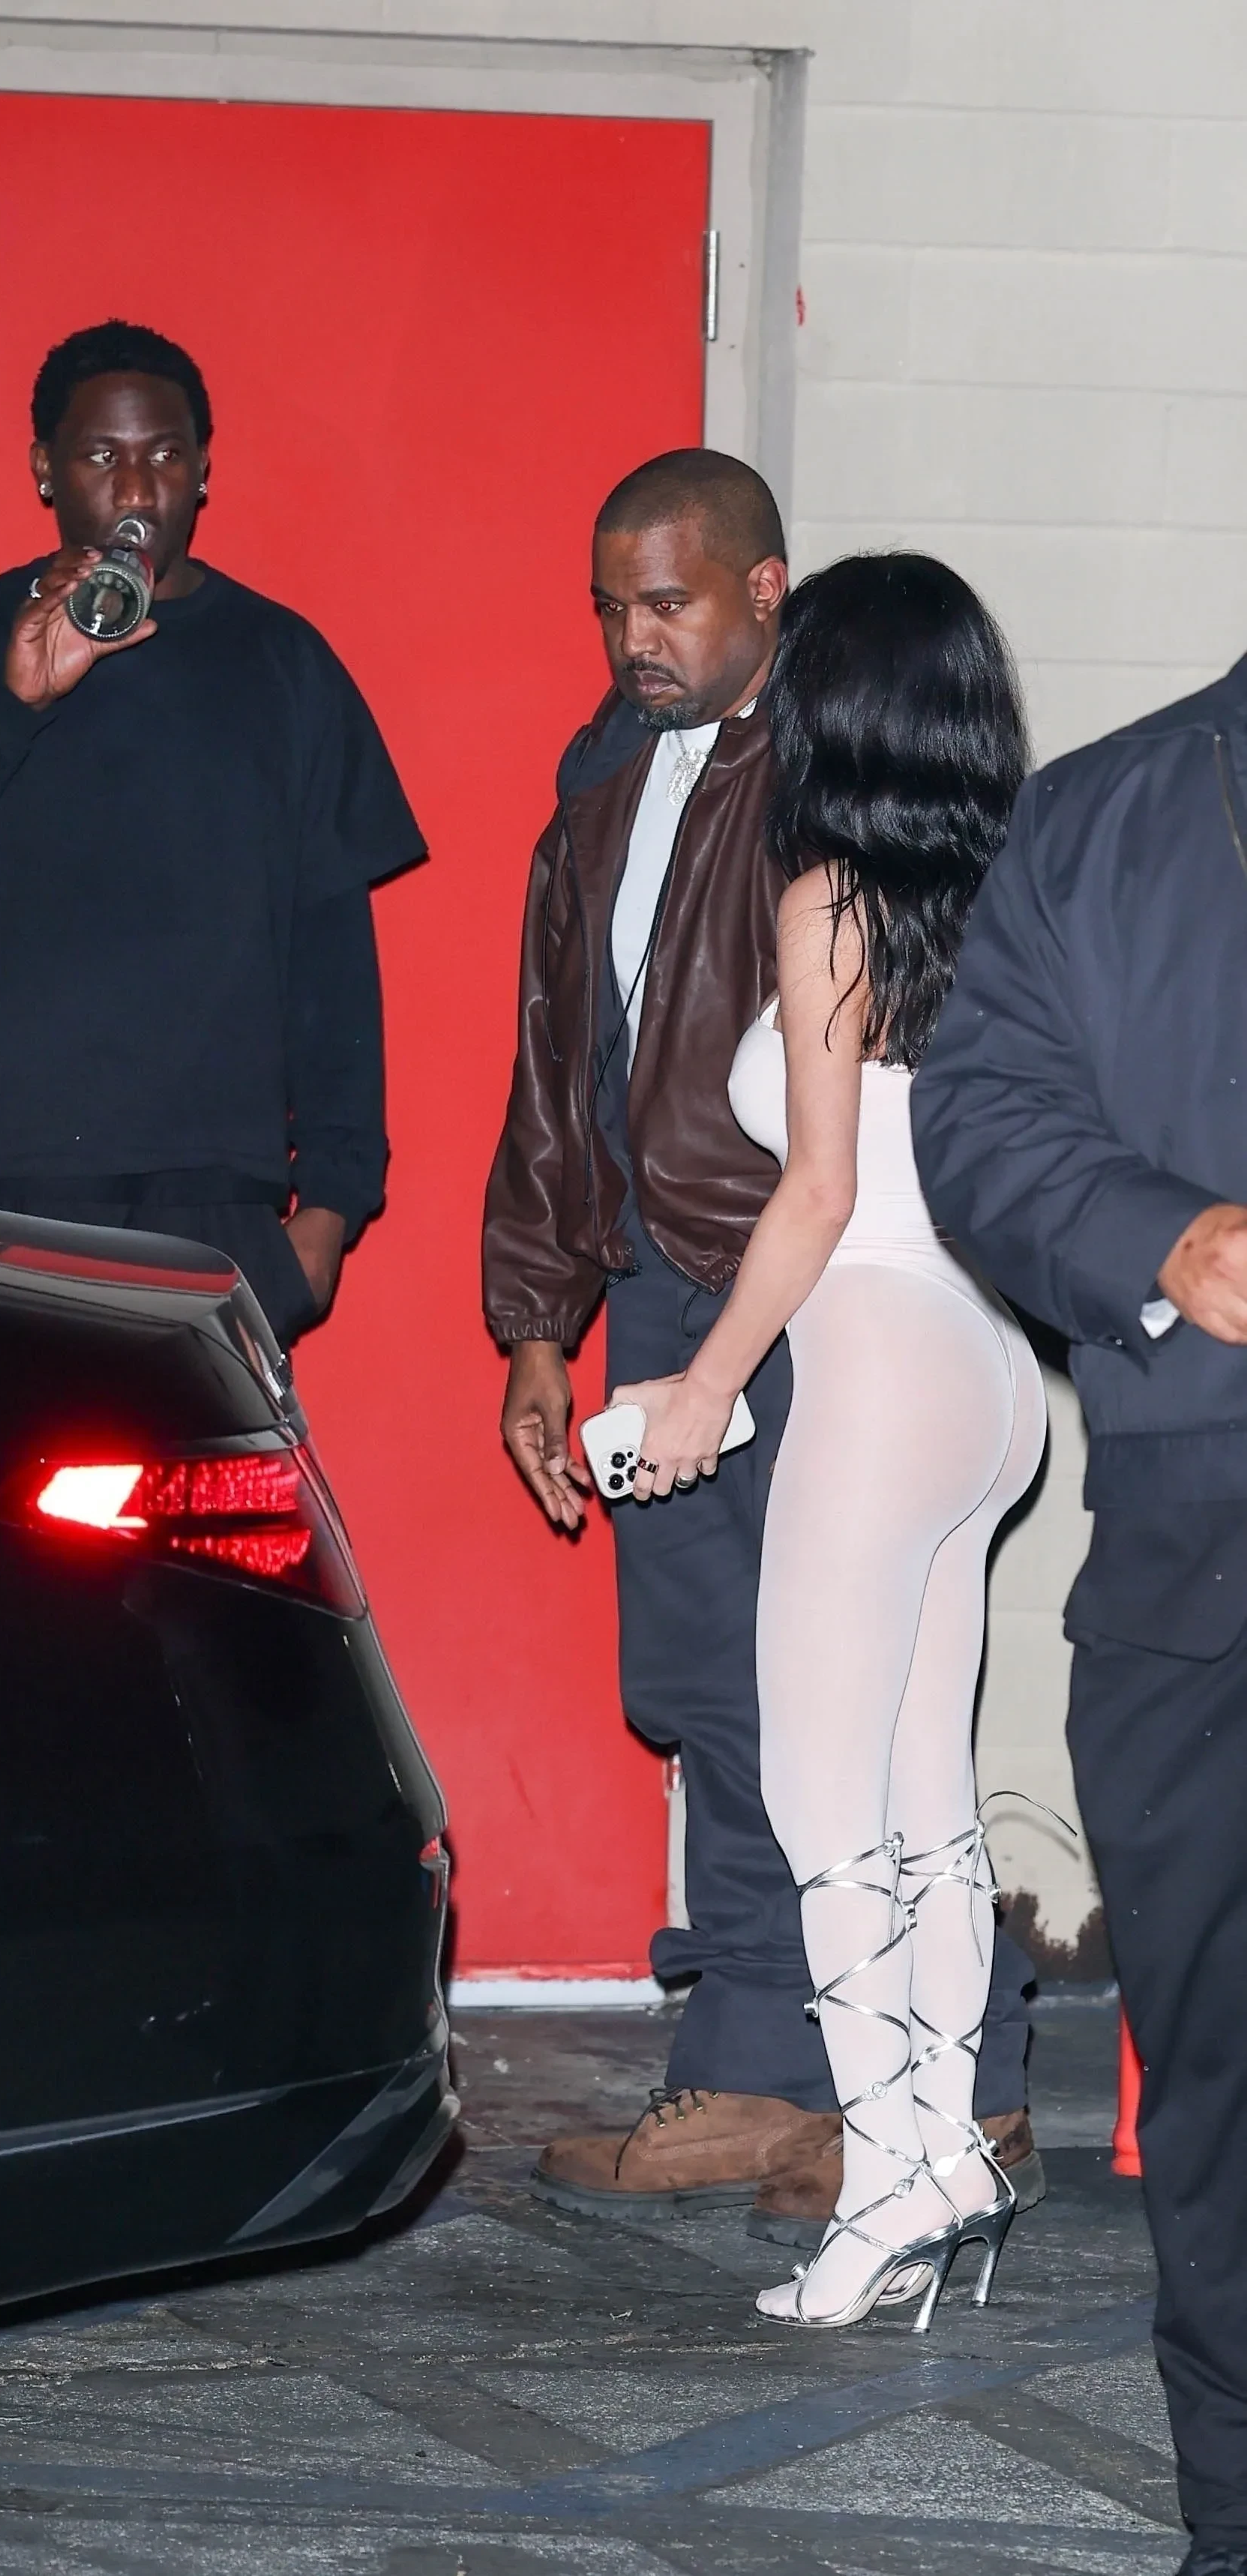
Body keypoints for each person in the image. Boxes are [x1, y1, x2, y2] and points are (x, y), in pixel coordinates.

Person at [483, 453, 1037, 2236]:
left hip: (815, 1293)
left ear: (764, 591)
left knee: (859, 1720)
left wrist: (726, 1354)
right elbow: (564, 1062)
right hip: (668, 1286)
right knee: (711, 1690)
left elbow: (861, 1122)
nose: (632, 638)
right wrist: (538, 1316)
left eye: (668, 603)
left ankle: (944, 2085)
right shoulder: (601, 773)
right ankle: (755, 2060)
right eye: (610, 606)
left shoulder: (829, 783)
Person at [614, 554, 1044, 2326]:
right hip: (989, 1374)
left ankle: (882, 2179)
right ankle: (943, 2151)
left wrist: (700, 1381)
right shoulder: (1015, 887)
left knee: (821, 1804)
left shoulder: (829, 894)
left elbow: (816, 1188)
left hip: (870, 1360)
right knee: (926, 1797)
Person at [913, 651, 1247, 2561]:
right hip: (1199, 1563)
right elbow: (978, 1123)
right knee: (1219, 2094)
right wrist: (1159, 1235)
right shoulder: (1103, 814)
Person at [0, 319, 423, 1346]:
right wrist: (10, 707)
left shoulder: (282, 662)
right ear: (44, 469)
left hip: (205, 1196)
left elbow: (332, 955)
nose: (136, 490)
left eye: (165, 455)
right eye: (101, 457)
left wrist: (330, 1207)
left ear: (203, 470)